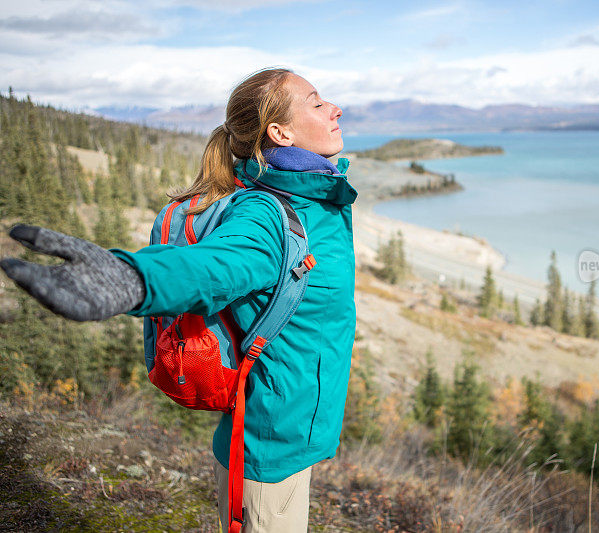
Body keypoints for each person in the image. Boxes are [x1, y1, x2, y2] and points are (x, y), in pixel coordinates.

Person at [0, 67, 358, 532]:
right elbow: (211, 267)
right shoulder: (268, 216)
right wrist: (131, 278)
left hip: (290, 429)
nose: (335, 108)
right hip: (269, 446)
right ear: (280, 132)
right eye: (316, 102)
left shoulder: (314, 201)